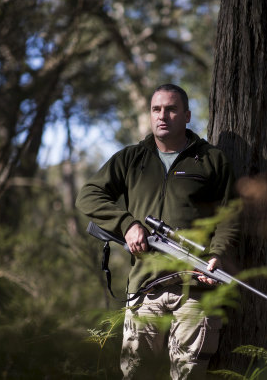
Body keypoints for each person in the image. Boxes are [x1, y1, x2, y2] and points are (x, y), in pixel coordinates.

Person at [75, 83, 239, 379]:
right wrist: (127, 225)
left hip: (195, 290)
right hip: (144, 290)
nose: (163, 115)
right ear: (150, 115)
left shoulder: (211, 160)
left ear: (187, 115)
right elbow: (88, 196)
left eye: (172, 109)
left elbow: (230, 216)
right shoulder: (131, 158)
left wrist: (218, 255)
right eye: (156, 109)